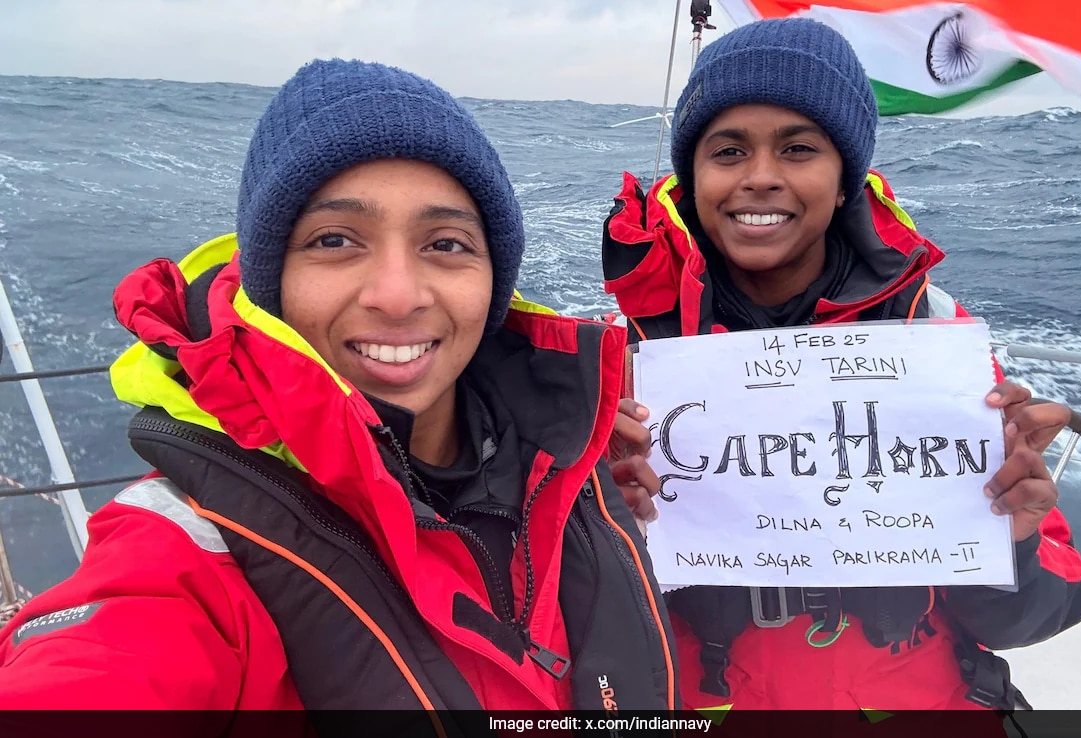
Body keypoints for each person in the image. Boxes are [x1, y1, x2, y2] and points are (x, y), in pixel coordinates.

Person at [0, 59, 678, 724]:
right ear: (273, 281)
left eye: (445, 244)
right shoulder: (189, 552)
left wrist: (585, 504)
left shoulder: (568, 465)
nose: (397, 296)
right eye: (334, 240)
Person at [601, 18, 1081, 713]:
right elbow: (566, 618)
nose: (761, 177)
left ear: (843, 181)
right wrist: (607, 525)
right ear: (694, 177)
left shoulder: (934, 341)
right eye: (728, 151)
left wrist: (1010, 539)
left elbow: (1029, 618)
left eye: (799, 148)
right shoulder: (623, 362)